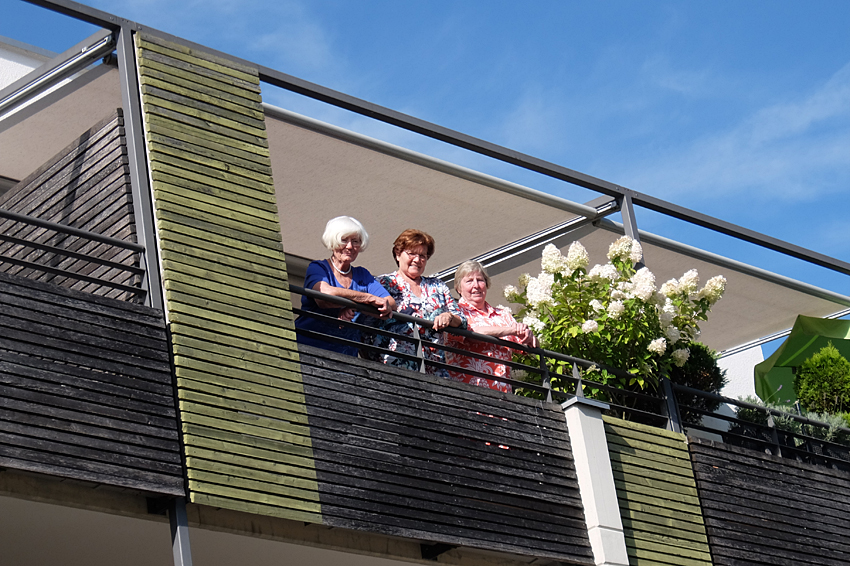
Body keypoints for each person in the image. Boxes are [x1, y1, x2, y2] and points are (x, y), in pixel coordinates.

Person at [369, 229, 466, 376]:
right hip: (393, 368)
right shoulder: (383, 283)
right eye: (411, 253)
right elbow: (365, 323)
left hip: (434, 369)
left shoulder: (437, 286)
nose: (417, 259)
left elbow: (462, 320)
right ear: (397, 254)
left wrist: (449, 317)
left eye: (422, 256)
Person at [295, 216, 395, 356]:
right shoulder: (318, 268)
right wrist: (366, 298)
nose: (349, 246)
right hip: (309, 348)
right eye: (344, 240)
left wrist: (353, 305)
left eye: (355, 241)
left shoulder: (362, 275)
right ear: (333, 241)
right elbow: (324, 295)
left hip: (345, 356)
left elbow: (390, 303)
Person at [446, 261, 537, 393]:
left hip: (502, 396)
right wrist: (512, 330)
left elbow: (531, 347)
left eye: (480, 280)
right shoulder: (456, 312)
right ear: (459, 288)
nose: (476, 285)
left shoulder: (502, 315)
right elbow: (473, 331)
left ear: (486, 285)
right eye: (469, 281)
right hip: (468, 395)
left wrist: (529, 335)